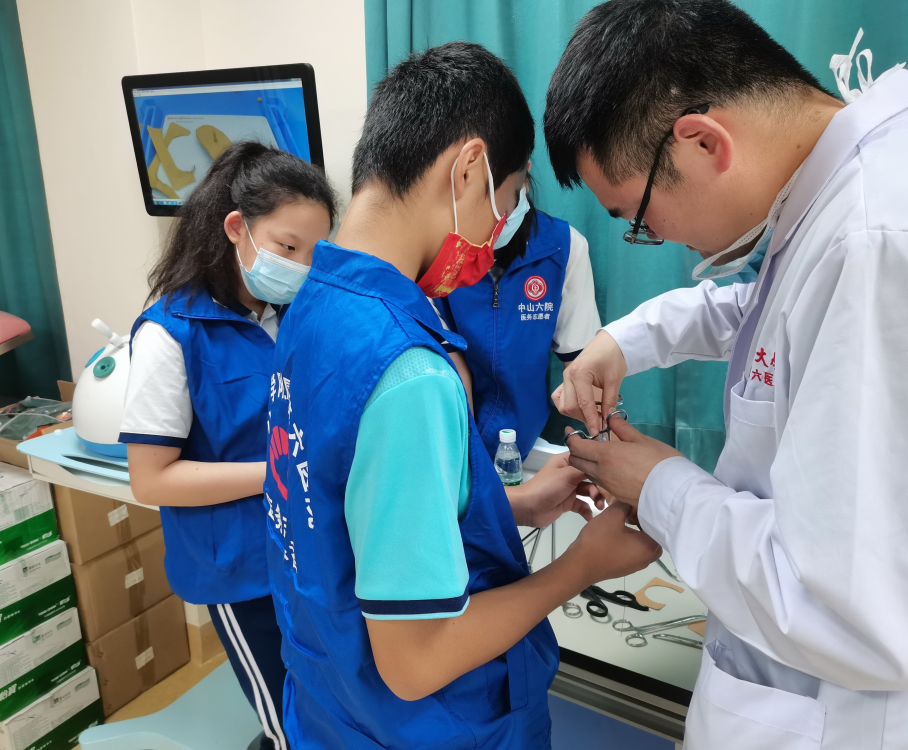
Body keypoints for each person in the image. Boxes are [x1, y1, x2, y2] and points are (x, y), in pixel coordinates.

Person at [544, 1, 908, 748]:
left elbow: (841, 610)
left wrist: (658, 485)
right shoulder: (843, 200)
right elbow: (767, 310)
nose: (654, 238)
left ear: (702, 143)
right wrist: (622, 341)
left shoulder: (877, 241)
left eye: (638, 218)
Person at [263, 42, 661, 749]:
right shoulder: (410, 371)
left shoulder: (314, 301)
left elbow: (350, 506)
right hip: (428, 725)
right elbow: (416, 662)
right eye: (506, 200)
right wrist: (582, 566)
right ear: (469, 169)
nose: (494, 234)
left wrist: (511, 505)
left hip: (334, 706)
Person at [120, 141, 336, 750]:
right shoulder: (171, 334)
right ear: (236, 228)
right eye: (287, 248)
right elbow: (151, 478)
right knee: (286, 716)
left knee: (327, 698)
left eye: (314, 253)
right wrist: (278, 472)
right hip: (239, 567)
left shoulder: (290, 314)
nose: (300, 267)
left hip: (306, 549)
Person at [432, 173, 602, 460]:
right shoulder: (437, 251)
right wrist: (469, 466)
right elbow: (453, 372)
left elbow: (583, 366)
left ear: (524, 169)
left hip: (524, 440)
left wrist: (601, 446)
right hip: (454, 438)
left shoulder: (564, 246)